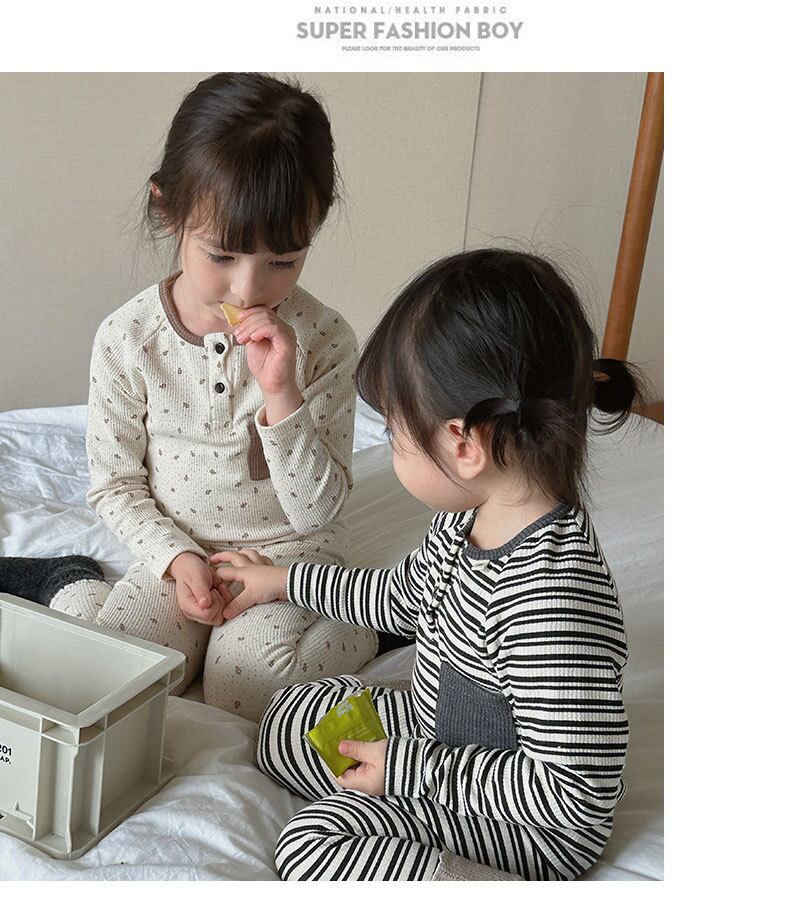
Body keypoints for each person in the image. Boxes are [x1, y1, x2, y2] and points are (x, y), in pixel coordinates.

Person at [210, 248, 642, 881]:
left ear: (464, 444)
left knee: (312, 845)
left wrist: (403, 770)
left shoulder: (551, 600)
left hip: (522, 821)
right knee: (286, 719)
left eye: (396, 433)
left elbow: (572, 799)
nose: (391, 446)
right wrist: (280, 581)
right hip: (438, 732)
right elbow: (404, 598)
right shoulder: (467, 516)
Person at [0, 72, 377, 721]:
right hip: (178, 551)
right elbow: (115, 484)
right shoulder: (128, 340)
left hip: (287, 559)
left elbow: (319, 512)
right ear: (168, 210)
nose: (249, 288)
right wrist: (175, 559)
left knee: (243, 691)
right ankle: (70, 580)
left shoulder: (325, 341)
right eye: (222, 255)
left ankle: (369, 619)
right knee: (109, 679)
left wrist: (282, 392)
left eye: (284, 261)